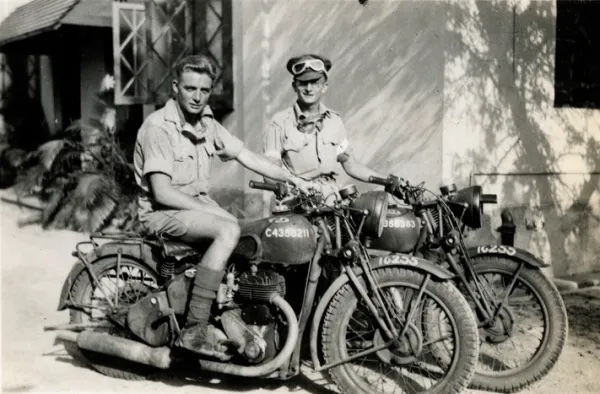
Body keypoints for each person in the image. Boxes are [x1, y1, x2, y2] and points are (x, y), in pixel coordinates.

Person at [133, 54, 312, 359]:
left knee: (246, 234)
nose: (197, 96)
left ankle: (230, 311)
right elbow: (162, 192)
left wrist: (293, 179)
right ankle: (195, 327)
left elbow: (246, 155)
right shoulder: (158, 128)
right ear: (176, 87)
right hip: (161, 213)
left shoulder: (207, 122)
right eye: (190, 88)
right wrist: (211, 213)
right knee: (229, 229)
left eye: (204, 90)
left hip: (193, 206)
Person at [263, 54, 386, 204]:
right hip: (298, 205)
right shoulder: (280, 122)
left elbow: (351, 164)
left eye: (315, 82)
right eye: (303, 83)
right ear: (294, 86)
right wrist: (292, 187)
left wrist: (387, 181)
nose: (309, 88)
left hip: (332, 202)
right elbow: (268, 172)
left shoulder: (334, 121)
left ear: (324, 87)